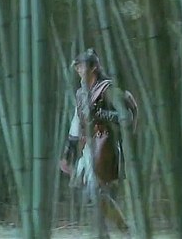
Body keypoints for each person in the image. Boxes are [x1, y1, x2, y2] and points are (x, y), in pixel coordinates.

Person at [59, 48, 136, 239]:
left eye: (81, 66)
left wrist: (101, 114)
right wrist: (68, 152)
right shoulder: (81, 93)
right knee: (92, 194)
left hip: (107, 143)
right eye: (77, 67)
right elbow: (76, 122)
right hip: (90, 146)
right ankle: (110, 233)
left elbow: (125, 117)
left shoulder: (107, 89)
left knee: (96, 191)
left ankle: (123, 230)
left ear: (93, 67)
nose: (78, 70)